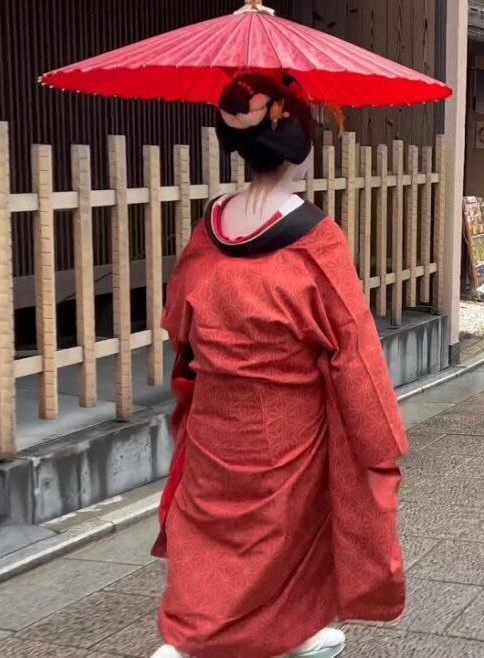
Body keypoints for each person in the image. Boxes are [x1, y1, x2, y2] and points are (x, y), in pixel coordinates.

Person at [150, 73, 409, 658]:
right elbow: (353, 344)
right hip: (289, 417)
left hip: (218, 414)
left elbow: (179, 324)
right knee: (291, 528)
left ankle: (222, 633)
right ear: (301, 145)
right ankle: (207, 640)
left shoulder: (210, 226)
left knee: (211, 527)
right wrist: (377, 436)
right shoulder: (315, 237)